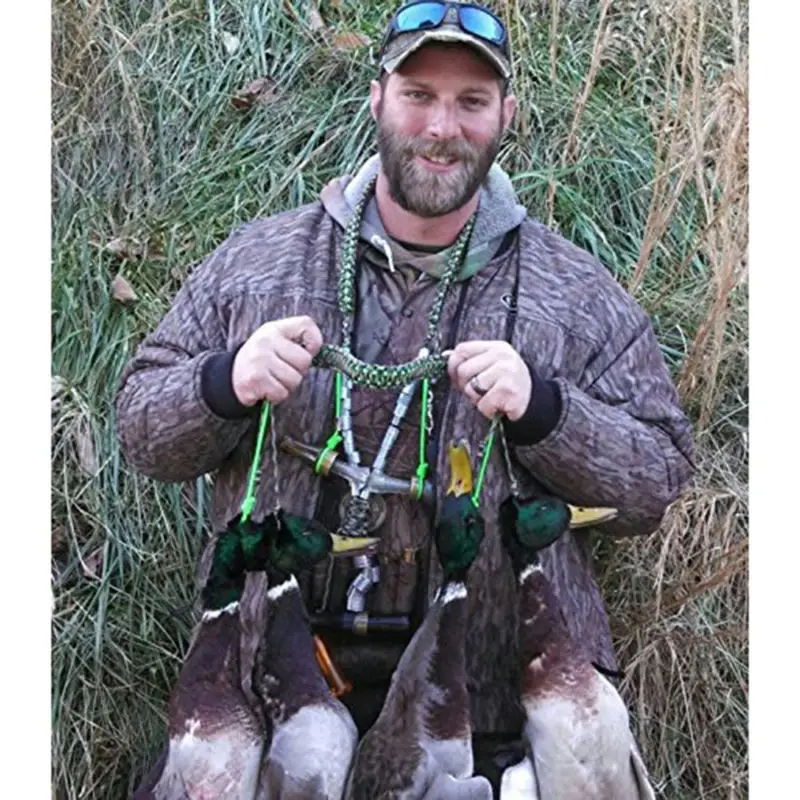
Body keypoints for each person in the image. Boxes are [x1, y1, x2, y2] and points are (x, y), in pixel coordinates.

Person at [115, 0, 695, 791]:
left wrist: (548, 412)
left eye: (471, 101)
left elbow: (658, 483)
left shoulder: (576, 294)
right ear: (377, 100)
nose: (441, 127)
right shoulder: (259, 264)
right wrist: (224, 383)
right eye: (419, 94)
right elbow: (142, 433)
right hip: (262, 704)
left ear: (506, 116)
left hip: (495, 715)